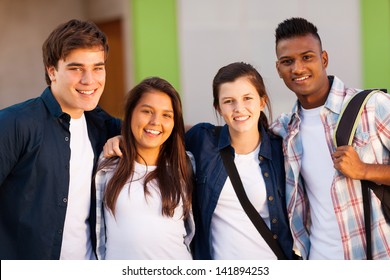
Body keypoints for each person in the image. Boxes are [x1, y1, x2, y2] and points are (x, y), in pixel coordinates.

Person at [0, 19, 121, 260]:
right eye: (76, 68)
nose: (90, 80)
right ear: (52, 70)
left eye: (98, 67)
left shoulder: (104, 127)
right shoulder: (15, 123)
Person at [271, 17, 390, 259]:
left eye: (307, 57)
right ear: (279, 69)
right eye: (287, 62)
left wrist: (364, 170)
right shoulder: (286, 128)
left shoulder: (373, 106)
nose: (297, 68)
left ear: (324, 59)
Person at [185, 62, 294, 259]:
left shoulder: (282, 150)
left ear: (262, 102)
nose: (239, 108)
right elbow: (157, 142)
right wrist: (122, 140)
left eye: (247, 98)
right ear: (218, 107)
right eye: (229, 101)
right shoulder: (202, 141)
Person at [94, 77, 194, 260]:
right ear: (131, 113)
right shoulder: (107, 165)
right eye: (147, 111)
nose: (156, 121)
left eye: (166, 115)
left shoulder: (185, 165)